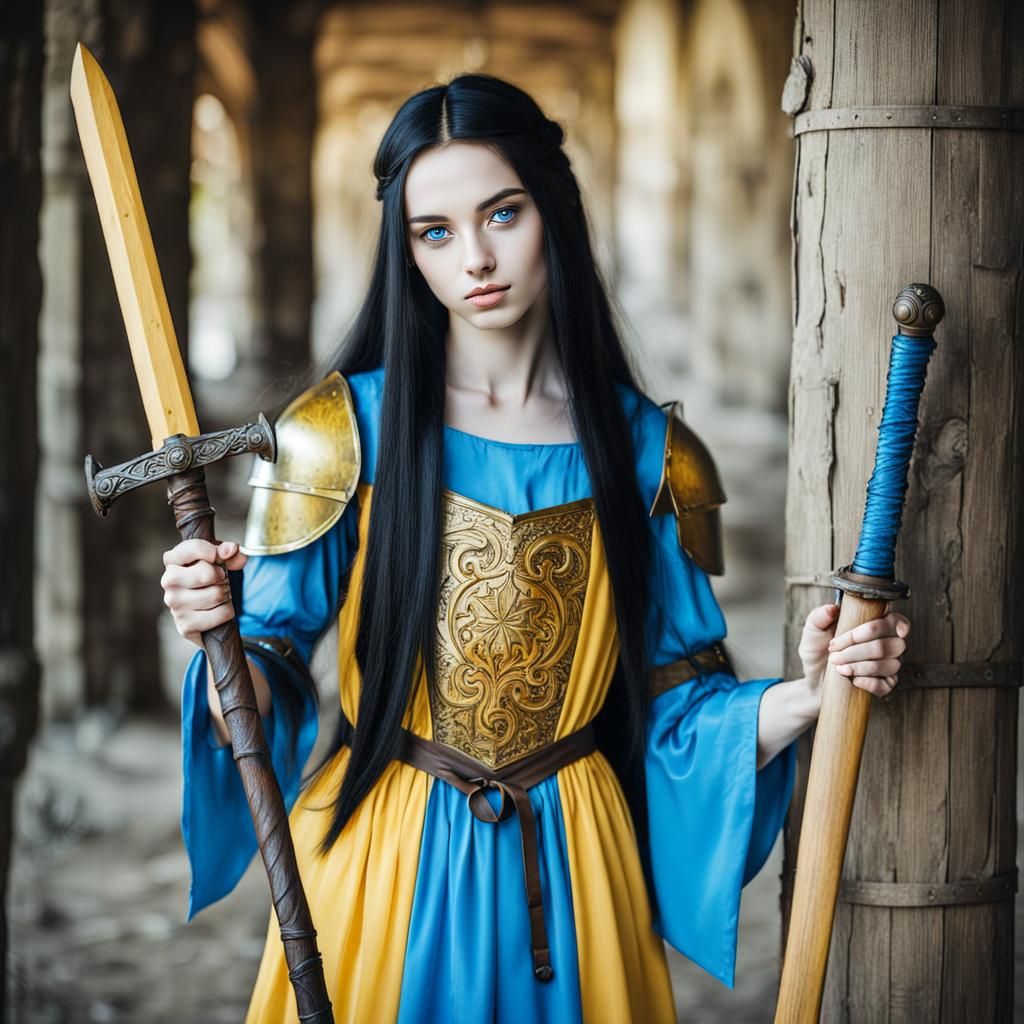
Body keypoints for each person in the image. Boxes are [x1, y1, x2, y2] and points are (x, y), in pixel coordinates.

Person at [160, 75, 911, 1023]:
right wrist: (219, 638)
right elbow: (262, 677)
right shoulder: (337, 433)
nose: (474, 258)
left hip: (575, 868)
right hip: (381, 861)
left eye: (502, 214)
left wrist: (810, 694)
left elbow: (679, 710)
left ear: (554, 209)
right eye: (434, 232)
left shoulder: (652, 454)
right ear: (406, 252)